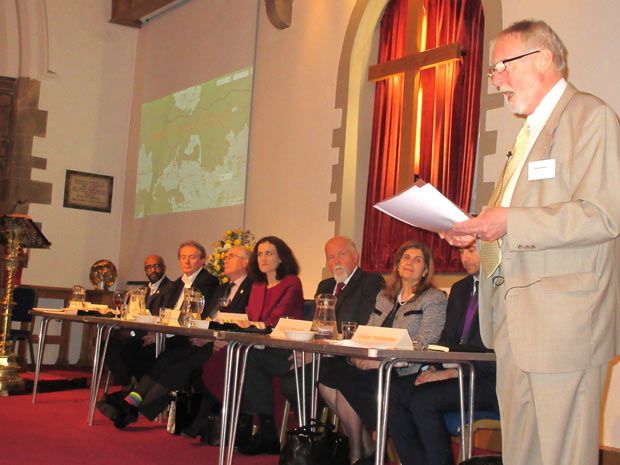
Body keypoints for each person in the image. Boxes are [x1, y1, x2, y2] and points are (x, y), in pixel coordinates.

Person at [443, 20, 620, 465]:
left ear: (542, 59)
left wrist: (509, 222)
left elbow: (604, 214)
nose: (496, 79)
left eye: (502, 65)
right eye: (492, 71)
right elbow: (511, 221)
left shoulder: (589, 116)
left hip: (564, 327)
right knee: (521, 456)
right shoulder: (525, 137)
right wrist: (473, 229)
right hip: (515, 327)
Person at [318, 240, 447, 465]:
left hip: (403, 370)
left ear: (425, 270)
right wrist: (358, 354)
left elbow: (424, 342)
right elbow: (368, 333)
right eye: (406, 258)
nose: (410, 263)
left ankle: (361, 453)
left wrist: (381, 363)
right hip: (374, 364)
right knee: (328, 373)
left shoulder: (433, 298)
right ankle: (365, 446)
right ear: (397, 265)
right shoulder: (385, 297)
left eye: (418, 260)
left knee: (353, 384)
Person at [388, 241, 498, 465]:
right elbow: (447, 340)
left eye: (471, 250)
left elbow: (497, 354)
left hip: (489, 379)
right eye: (461, 251)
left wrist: (454, 373)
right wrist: (435, 369)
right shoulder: (461, 288)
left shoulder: (501, 287)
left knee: (423, 401)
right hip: (457, 371)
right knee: (394, 393)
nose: (465, 258)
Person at [96, 240, 220, 428]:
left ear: (202, 260)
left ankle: (132, 404)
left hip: (185, 337)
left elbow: (195, 315)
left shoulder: (208, 281)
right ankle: (131, 398)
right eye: (183, 257)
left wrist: (164, 335)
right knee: (131, 347)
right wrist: (156, 332)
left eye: (192, 257)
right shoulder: (178, 283)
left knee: (161, 358)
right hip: (169, 334)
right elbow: (166, 311)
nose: (187, 262)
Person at [279, 236, 385, 418]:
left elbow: (360, 326)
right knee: (272, 365)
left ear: (355, 257)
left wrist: (320, 353)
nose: (336, 261)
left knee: (294, 383)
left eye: (341, 255)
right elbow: (312, 323)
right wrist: (305, 350)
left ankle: (316, 434)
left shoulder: (370, 282)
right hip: (316, 353)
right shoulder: (325, 285)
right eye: (330, 257)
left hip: (344, 357)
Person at [235, 236, 304, 456]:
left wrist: (255, 331)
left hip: (286, 350)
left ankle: (259, 430)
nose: (263, 258)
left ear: (281, 257)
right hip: (260, 345)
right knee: (242, 354)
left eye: (269, 253)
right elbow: (252, 318)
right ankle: (260, 431)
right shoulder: (256, 285)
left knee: (249, 356)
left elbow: (275, 318)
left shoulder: (292, 282)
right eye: (260, 253)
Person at [179, 245, 254, 442]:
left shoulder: (253, 287)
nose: (225, 260)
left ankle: (202, 418)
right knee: (174, 357)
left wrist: (213, 338)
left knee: (192, 363)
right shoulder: (222, 288)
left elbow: (244, 322)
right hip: (209, 339)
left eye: (231, 256)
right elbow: (207, 317)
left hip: (227, 343)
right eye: (226, 256)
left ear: (246, 262)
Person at [104, 254, 174, 392]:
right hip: (136, 331)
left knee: (126, 345)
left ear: (164, 268)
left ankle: (132, 386)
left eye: (156, 266)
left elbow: (164, 314)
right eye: (148, 267)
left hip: (153, 334)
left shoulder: (171, 288)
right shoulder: (141, 291)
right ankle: (126, 383)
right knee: (107, 343)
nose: (152, 270)